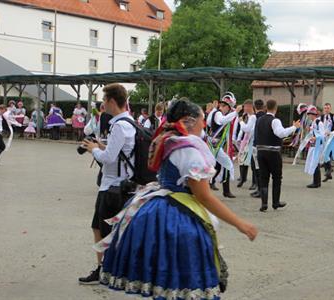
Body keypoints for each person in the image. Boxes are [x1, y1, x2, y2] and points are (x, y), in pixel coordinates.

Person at [94, 98, 257, 299]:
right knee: (182, 279)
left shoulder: (169, 139)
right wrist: (240, 224)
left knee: (161, 278)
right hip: (178, 217)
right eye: (202, 119)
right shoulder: (187, 149)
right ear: (190, 120)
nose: (204, 124)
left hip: (156, 210)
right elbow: (205, 197)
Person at [78, 83, 136, 284]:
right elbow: (120, 152)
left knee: (103, 230)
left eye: (104, 100)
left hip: (112, 187)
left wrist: (94, 150)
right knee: (101, 228)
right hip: (120, 185)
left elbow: (109, 158)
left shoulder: (119, 125)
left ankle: (107, 270)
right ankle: (106, 268)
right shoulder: (129, 122)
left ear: (112, 101)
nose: (103, 105)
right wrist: (100, 145)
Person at [255, 99, 300, 212]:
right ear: (276, 108)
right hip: (273, 152)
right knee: (276, 177)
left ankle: (264, 203)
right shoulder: (275, 120)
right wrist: (294, 127)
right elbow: (281, 133)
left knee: (264, 177)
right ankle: (275, 202)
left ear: (266, 107)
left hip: (261, 151)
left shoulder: (259, 120)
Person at [207, 93, 242, 198]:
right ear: (225, 106)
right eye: (229, 108)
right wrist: (236, 112)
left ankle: (223, 189)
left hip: (215, 145)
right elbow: (221, 121)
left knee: (225, 164)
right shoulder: (218, 114)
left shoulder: (217, 113)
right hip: (214, 145)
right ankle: (212, 184)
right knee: (214, 166)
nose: (229, 110)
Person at [304, 106, 326, 188]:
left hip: (317, 146)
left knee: (315, 163)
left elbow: (323, 135)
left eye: (309, 114)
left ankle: (316, 183)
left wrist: (315, 138)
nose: (308, 116)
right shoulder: (313, 123)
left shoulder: (319, 123)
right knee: (314, 163)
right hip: (313, 145)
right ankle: (316, 182)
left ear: (313, 115)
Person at [236, 100, 256, 188]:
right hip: (245, 140)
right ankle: (242, 178)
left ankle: (254, 182)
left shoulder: (253, 117)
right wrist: (238, 138)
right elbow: (242, 130)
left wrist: (241, 122)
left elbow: (248, 129)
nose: (245, 108)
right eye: (244, 107)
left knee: (252, 162)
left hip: (251, 141)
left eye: (247, 107)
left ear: (251, 107)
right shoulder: (245, 116)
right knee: (242, 160)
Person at [250, 99, 266, 198]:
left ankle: (260, 189)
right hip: (262, 144)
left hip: (256, 145)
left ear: (254, 107)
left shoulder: (255, 117)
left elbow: (250, 130)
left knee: (256, 168)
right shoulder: (264, 116)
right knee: (258, 168)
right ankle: (259, 188)